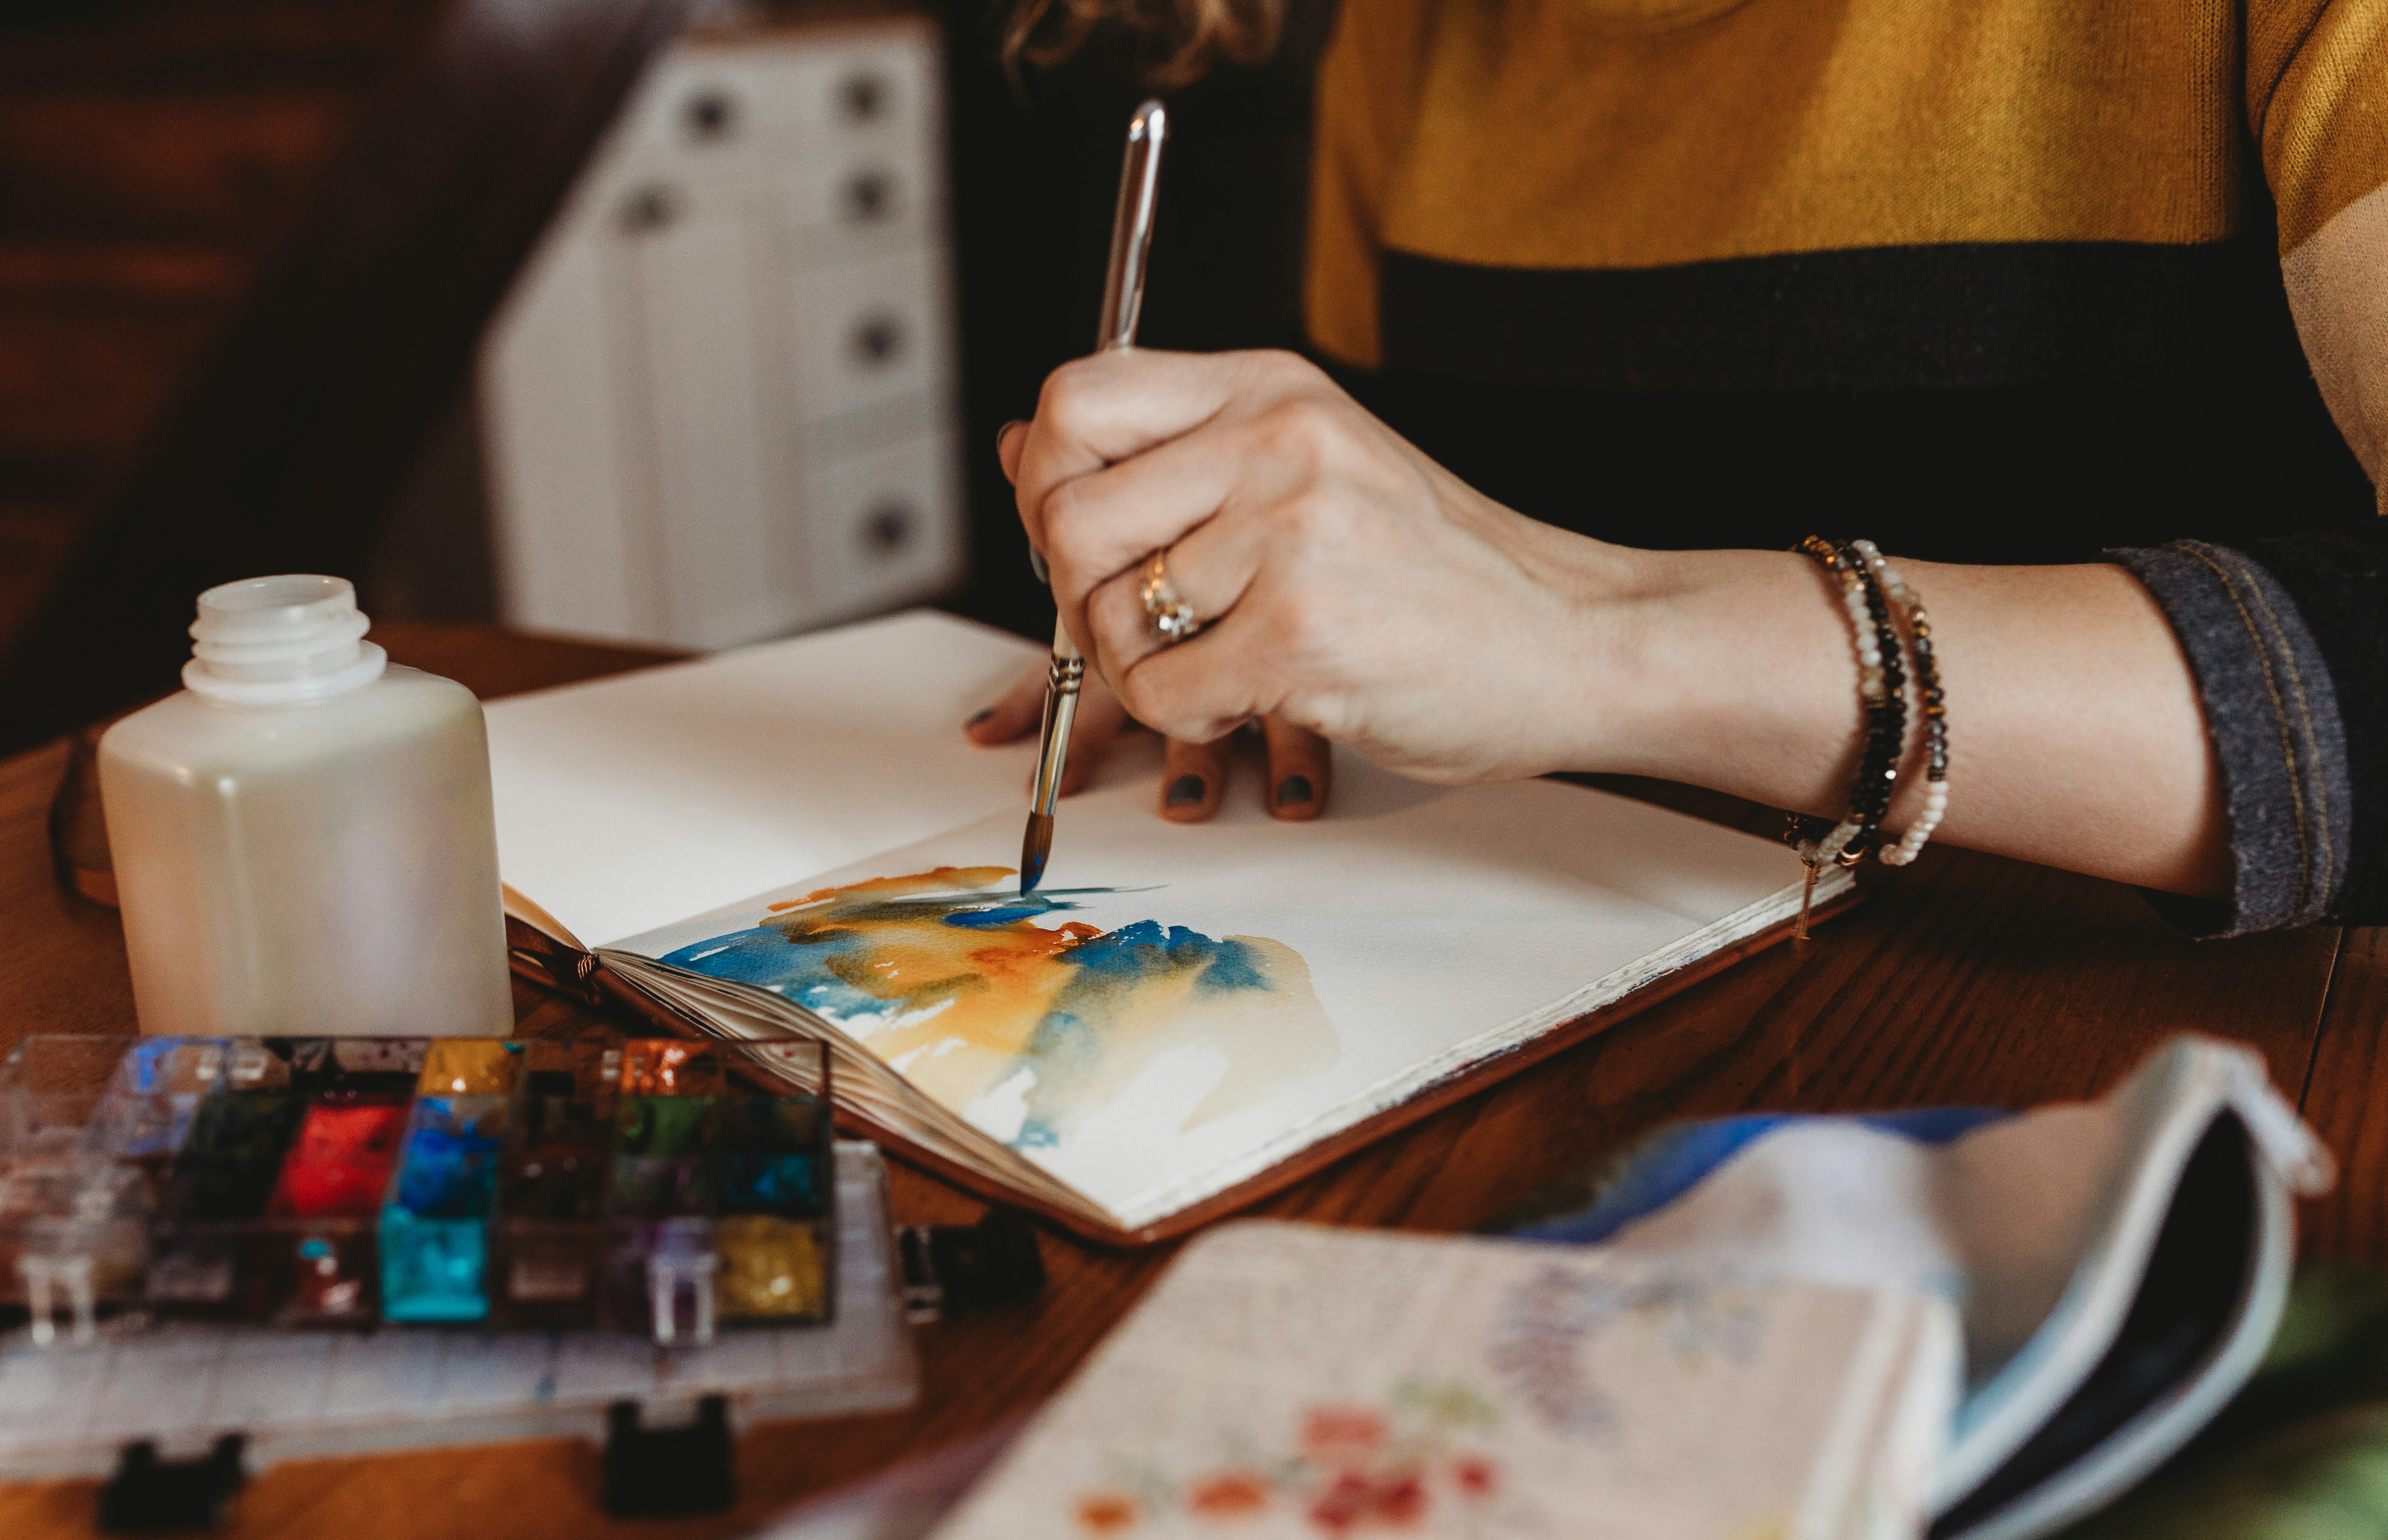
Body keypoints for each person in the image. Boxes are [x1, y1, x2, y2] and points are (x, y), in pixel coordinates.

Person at [963, 0, 2386, 934]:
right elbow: (1406, 555)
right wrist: (1250, 608)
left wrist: (1595, 644)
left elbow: (1497, 609)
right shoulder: (1415, 35)